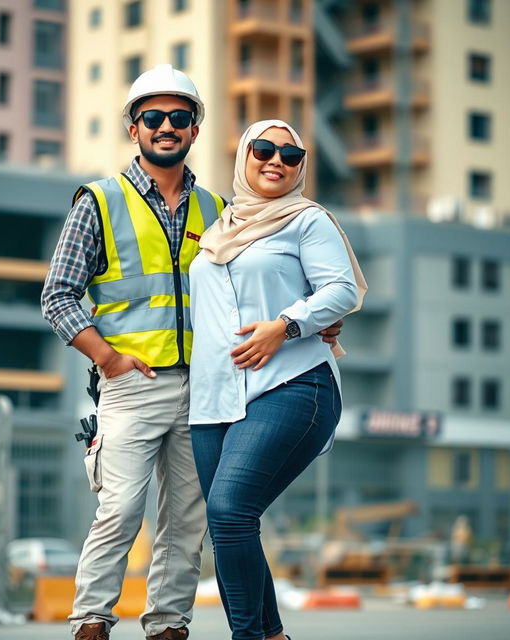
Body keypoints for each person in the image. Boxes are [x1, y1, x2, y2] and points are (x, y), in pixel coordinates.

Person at [41, 64, 344, 640]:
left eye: (179, 118)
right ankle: (91, 622)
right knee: (120, 512)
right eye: (153, 118)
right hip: (130, 383)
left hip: (209, 391)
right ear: (134, 128)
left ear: (195, 131)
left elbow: (268, 282)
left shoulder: (220, 211)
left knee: (189, 520)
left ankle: (167, 626)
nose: (166, 127)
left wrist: (311, 324)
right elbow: (57, 296)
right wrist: (107, 360)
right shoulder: (99, 201)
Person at [188, 119, 367, 640]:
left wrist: (285, 326)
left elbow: (341, 290)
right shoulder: (220, 226)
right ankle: (272, 636)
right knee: (228, 526)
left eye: (291, 155)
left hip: (294, 382)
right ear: (243, 155)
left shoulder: (307, 220)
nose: (276, 161)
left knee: (230, 508)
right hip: (214, 399)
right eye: (263, 149)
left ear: (301, 166)